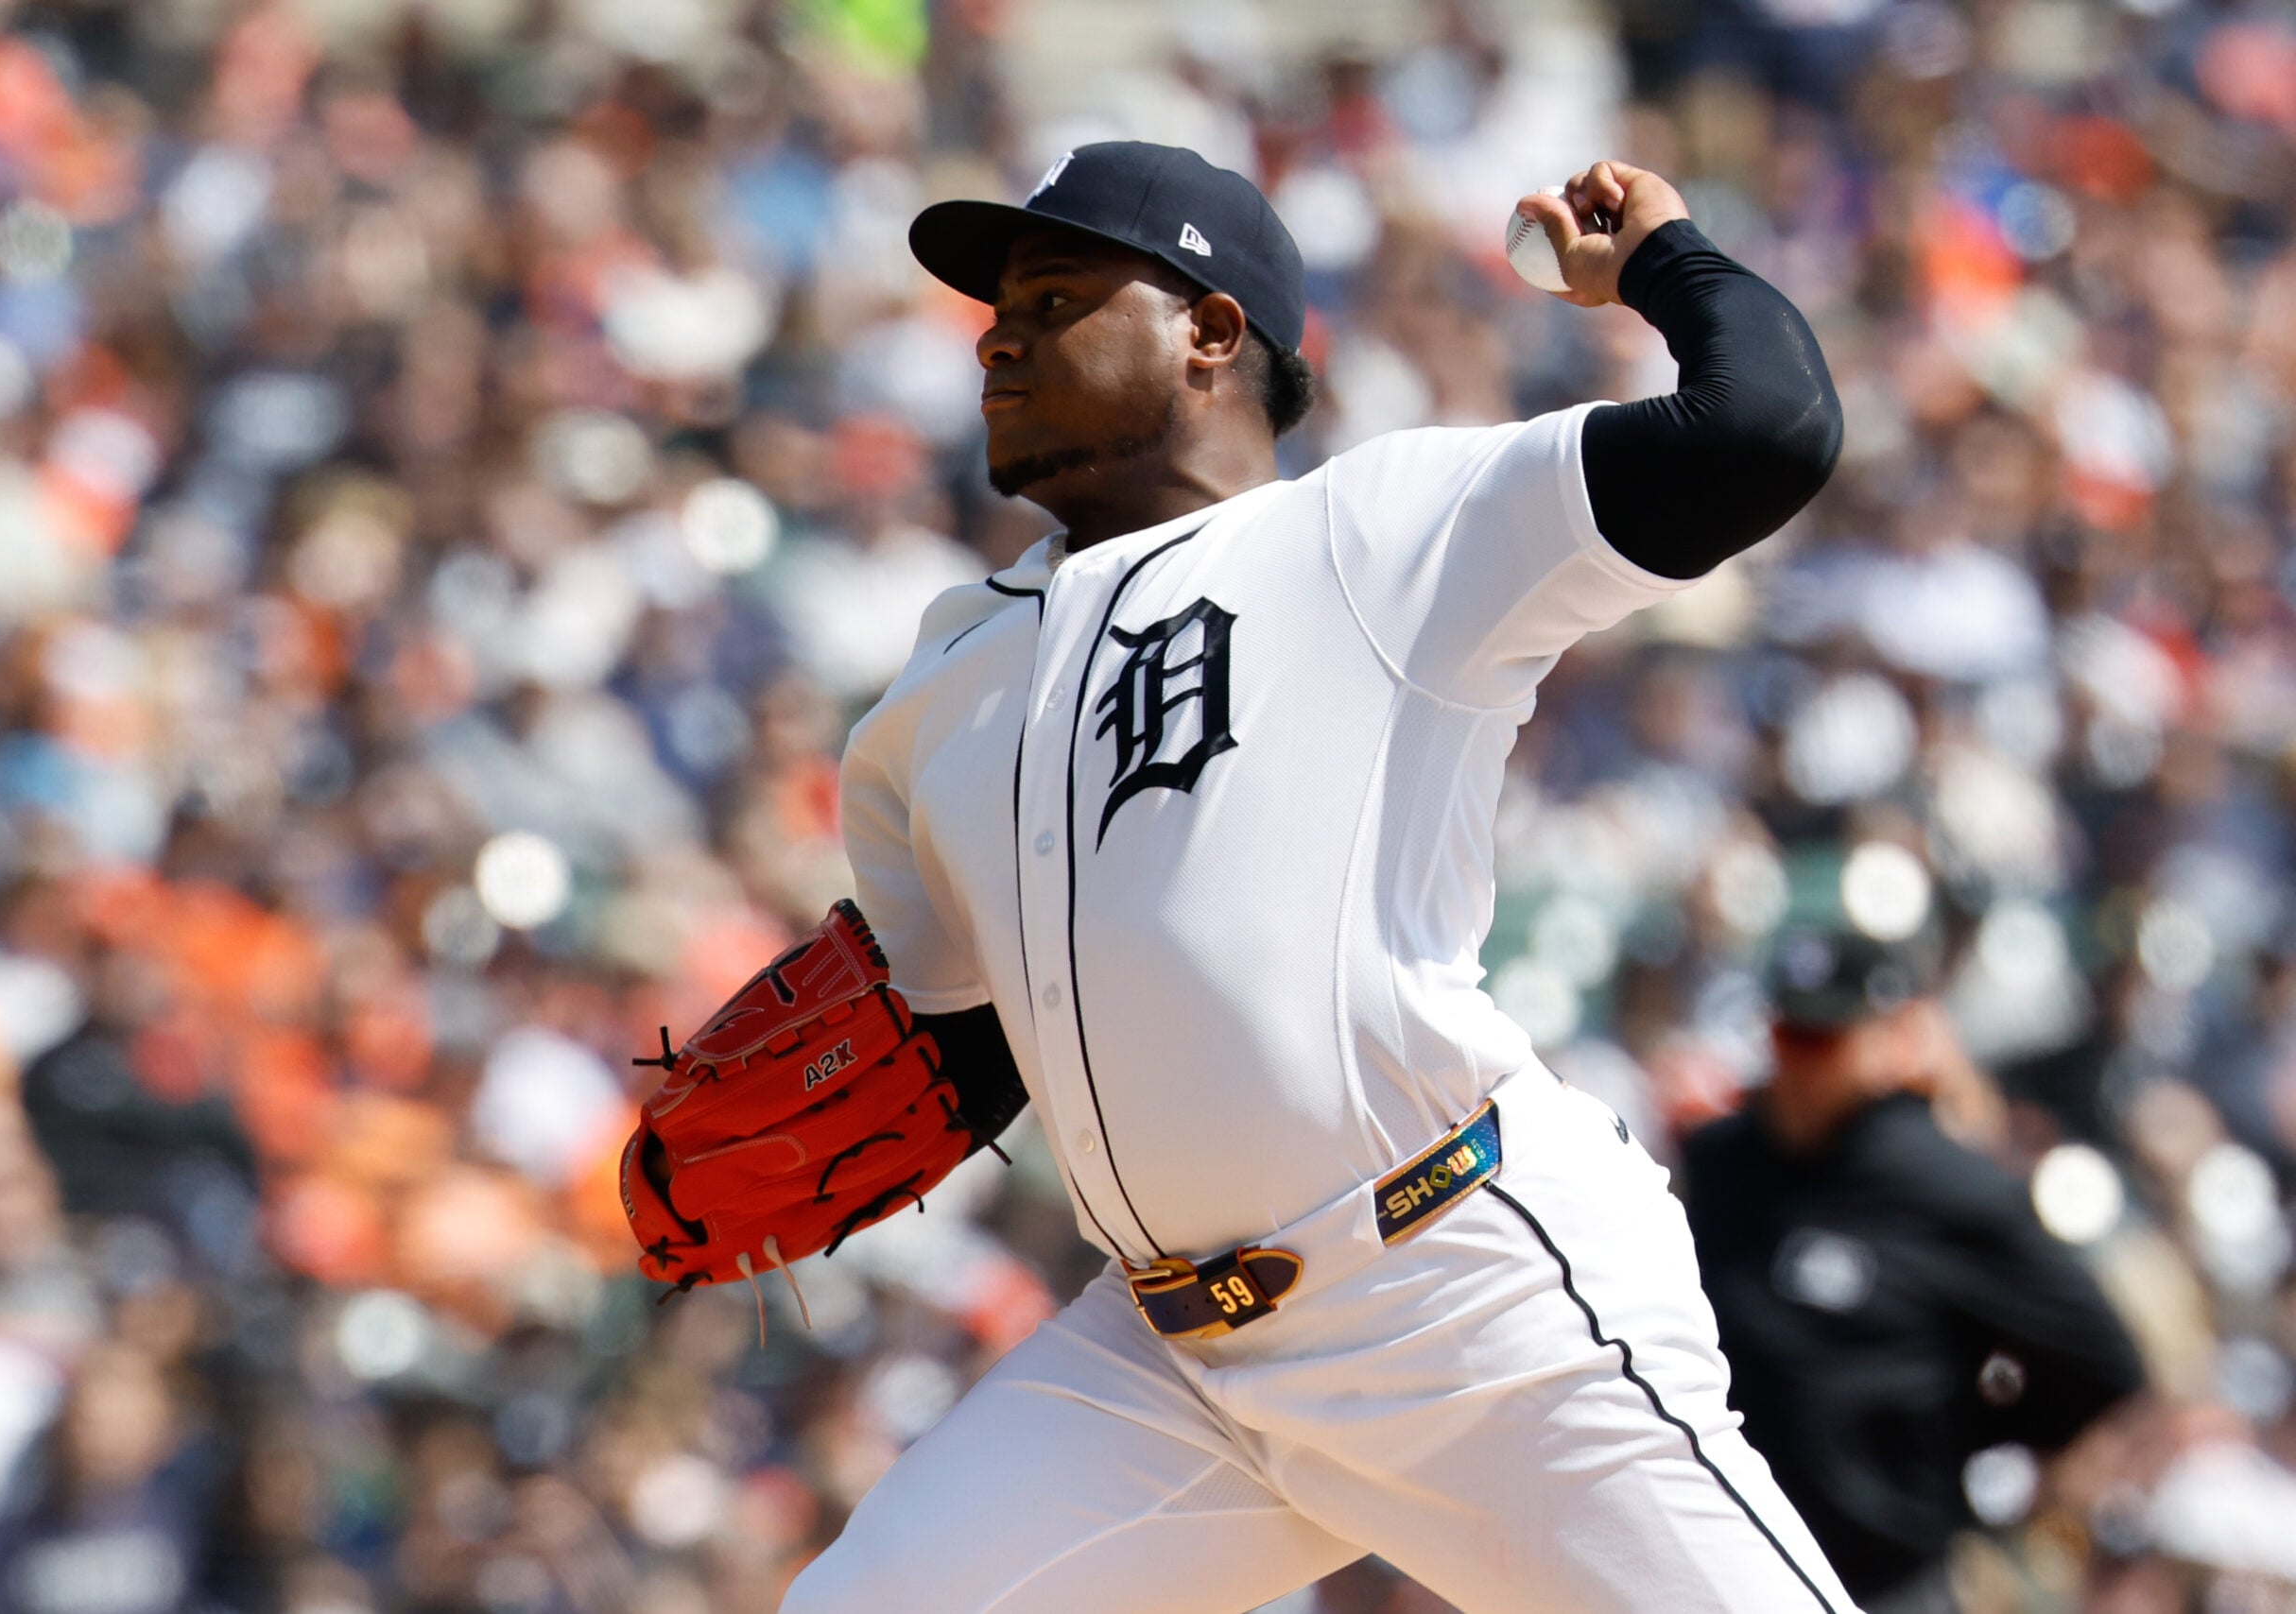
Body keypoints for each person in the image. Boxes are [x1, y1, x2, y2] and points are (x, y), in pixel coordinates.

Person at [773, 142, 1853, 1612]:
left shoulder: (1377, 531)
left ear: (1213, 330)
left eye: (1057, 291)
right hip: (1171, 1369)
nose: (1000, 331)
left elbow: (1767, 431)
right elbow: (961, 1041)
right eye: (995, 304)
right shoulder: (934, 693)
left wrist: (1666, 265)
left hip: (1461, 1299)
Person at [1680, 923, 2147, 1614]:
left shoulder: (1940, 1184)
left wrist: (1965, 1429)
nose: (1805, 1063)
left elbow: (2103, 1358)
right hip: (1720, 1563)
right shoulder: (1718, 1161)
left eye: (1828, 1041)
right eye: (1791, 1037)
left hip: (1881, 1576)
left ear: (1884, 1041)